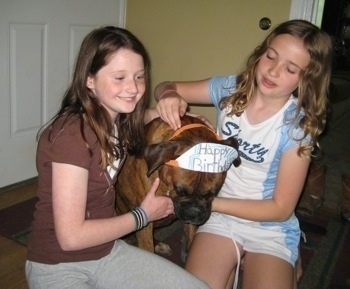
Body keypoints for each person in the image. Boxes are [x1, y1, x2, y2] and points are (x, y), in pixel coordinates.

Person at [25, 26, 210, 289]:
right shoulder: (72, 135)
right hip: (58, 263)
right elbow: (70, 238)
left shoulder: (119, 119)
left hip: (107, 251)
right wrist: (143, 215)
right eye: (119, 78)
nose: (133, 89)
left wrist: (187, 122)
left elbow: (148, 115)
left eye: (139, 77)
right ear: (90, 80)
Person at [154, 19, 333, 289]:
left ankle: (285, 256)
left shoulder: (297, 128)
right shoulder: (230, 89)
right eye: (270, 56)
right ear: (260, 54)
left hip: (268, 226)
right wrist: (168, 95)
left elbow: (280, 209)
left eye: (290, 68)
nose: (273, 71)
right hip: (221, 220)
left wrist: (206, 204)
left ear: (307, 79)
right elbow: (167, 86)